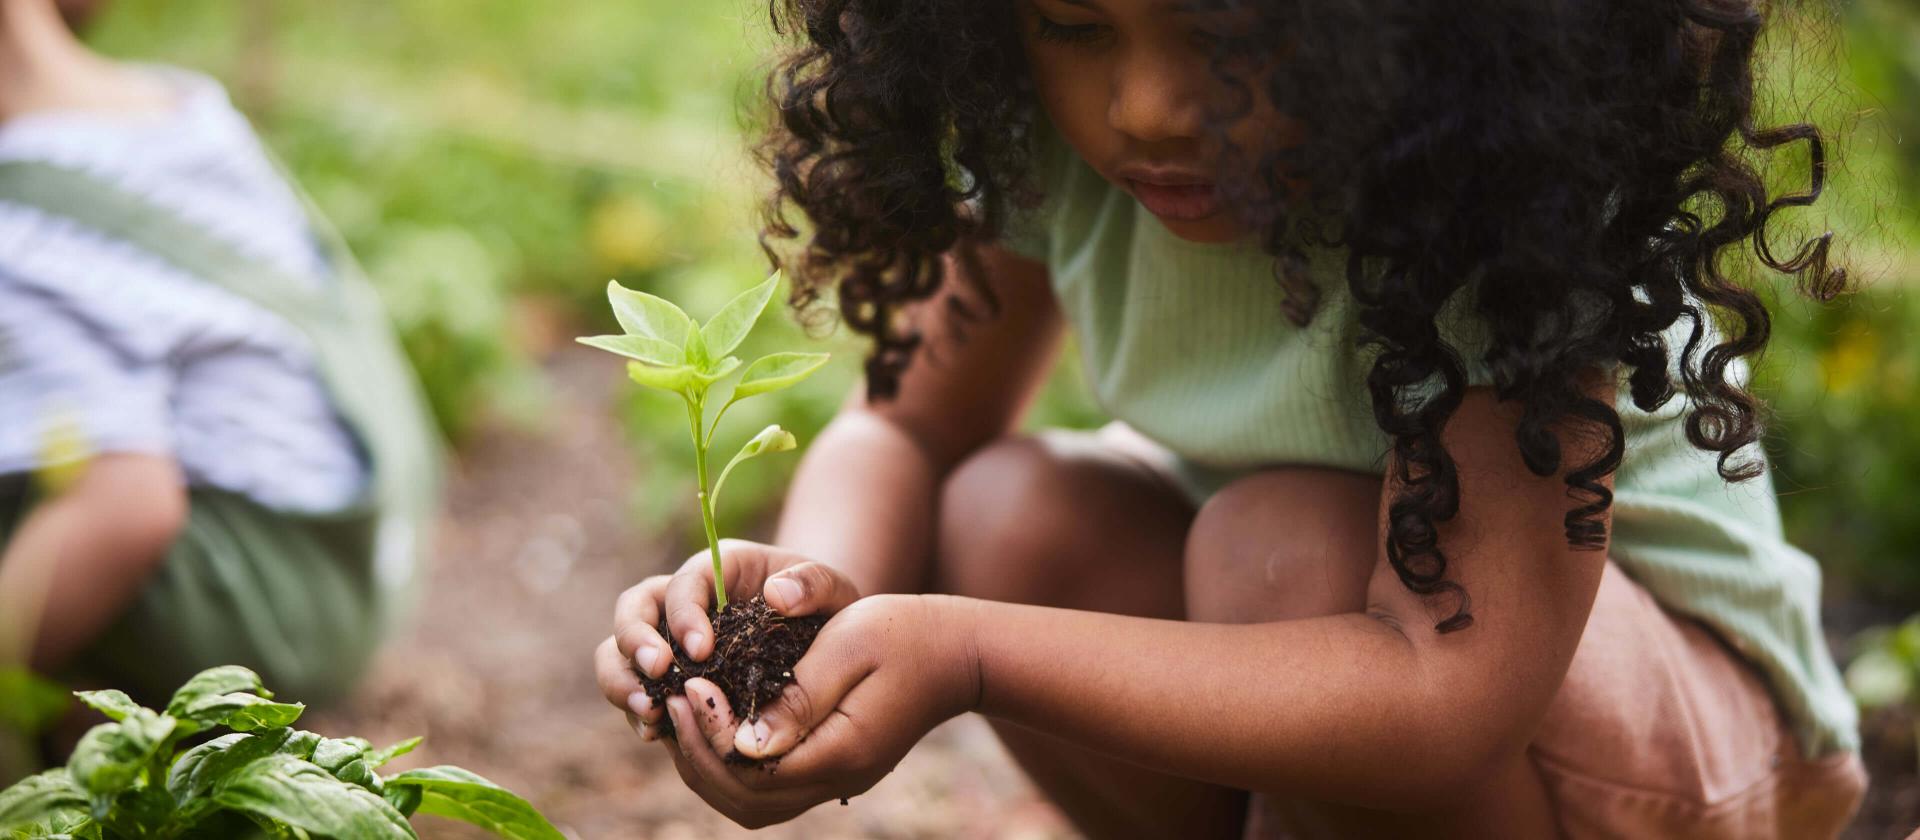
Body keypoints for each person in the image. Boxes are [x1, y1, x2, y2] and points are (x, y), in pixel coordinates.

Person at [596, 0, 1867, 835]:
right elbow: (908, 432)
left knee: (1274, 549)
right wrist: (806, 614)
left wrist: (968, 655)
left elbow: (1450, 688)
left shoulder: (1506, 214)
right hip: (1356, 669)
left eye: (1233, 29)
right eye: (1075, 22)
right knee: (1013, 516)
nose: (1147, 103)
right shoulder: (1068, 158)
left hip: (1672, 760)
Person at [0, 0, 440, 710]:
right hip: (353, 556)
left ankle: (77, 730)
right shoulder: (172, 103)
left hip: (259, 613)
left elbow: (124, 506)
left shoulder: (19, 227)